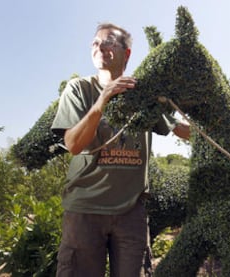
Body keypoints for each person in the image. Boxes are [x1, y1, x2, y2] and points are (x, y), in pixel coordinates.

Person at [51, 22, 189, 277]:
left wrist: (217, 129)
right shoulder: (78, 89)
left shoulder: (144, 94)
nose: (99, 46)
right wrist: (103, 98)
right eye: (95, 43)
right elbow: (73, 144)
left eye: (108, 41)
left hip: (131, 213)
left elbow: (180, 129)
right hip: (85, 210)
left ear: (126, 53)